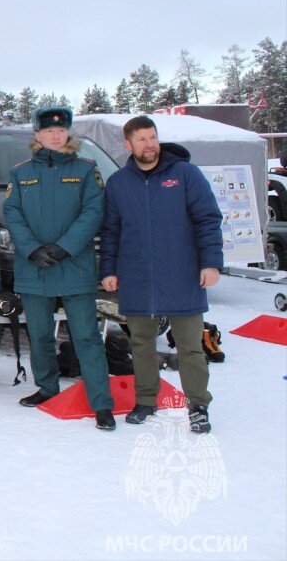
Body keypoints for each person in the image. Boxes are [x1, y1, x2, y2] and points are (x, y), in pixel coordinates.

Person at [101, 116, 223, 433]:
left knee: (190, 346)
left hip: (183, 274)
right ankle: (145, 401)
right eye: (141, 139)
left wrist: (211, 262)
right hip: (137, 275)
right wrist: (109, 269)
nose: (149, 144)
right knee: (141, 342)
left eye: (152, 137)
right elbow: (111, 231)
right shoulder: (119, 183)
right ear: (128, 145)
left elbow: (208, 219)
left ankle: (198, 405)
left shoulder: (185, 174)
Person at [2, 105, 116, 430]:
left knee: (87, 337)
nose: (56, 134)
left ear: (67, 132)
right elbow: (12, 213)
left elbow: (93, 212)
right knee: (39, 335)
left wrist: (63, 247)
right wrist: (31, 249)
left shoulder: (85, 169)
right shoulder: (20, 173)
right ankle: (47, 387)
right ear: (37, 134)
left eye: (61, 129)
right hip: (34, 267)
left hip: (74, 267)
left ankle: (101, 403)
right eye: (49, 130)